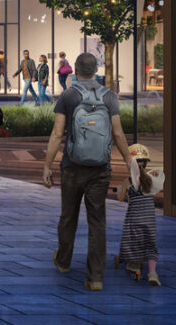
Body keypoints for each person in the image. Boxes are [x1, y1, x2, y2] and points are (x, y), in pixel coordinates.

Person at [43, 51, 135, 291]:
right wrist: (129, 162)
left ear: (75, 69)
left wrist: (47, 165)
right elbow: (117, 133)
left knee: (68, 217)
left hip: (72, 167)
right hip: (100, 170)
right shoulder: (109, 97)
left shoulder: (68, 95)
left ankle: (63, 261)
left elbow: (57, 133)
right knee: (97, 223)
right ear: (96, 70)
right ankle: (95, 277)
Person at [116, 142, 163, 285]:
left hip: (135, 219)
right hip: (149, 219)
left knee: (132, 241)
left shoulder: (128, 181)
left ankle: (135, 267)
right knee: (150, 243)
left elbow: (120, 198)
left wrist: (120, 189)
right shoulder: (151, 180)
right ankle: (152, 273)